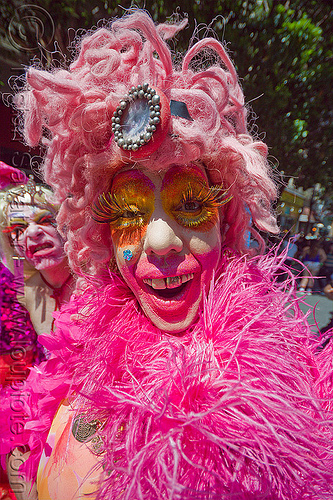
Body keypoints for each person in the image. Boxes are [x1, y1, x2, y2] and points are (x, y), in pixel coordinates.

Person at [4, 10, 333, 499]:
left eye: (192, 205)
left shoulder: (268, 405)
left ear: (227, 223)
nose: (159, 242)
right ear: (105, 237)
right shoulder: (86, 341)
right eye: (130, 212)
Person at [0, 163, 75, 337]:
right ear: (12, 245)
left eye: (45, 220)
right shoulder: (18, 295)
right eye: (19, 229)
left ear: (65, 225)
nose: (33, 232)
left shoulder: (100, 281)